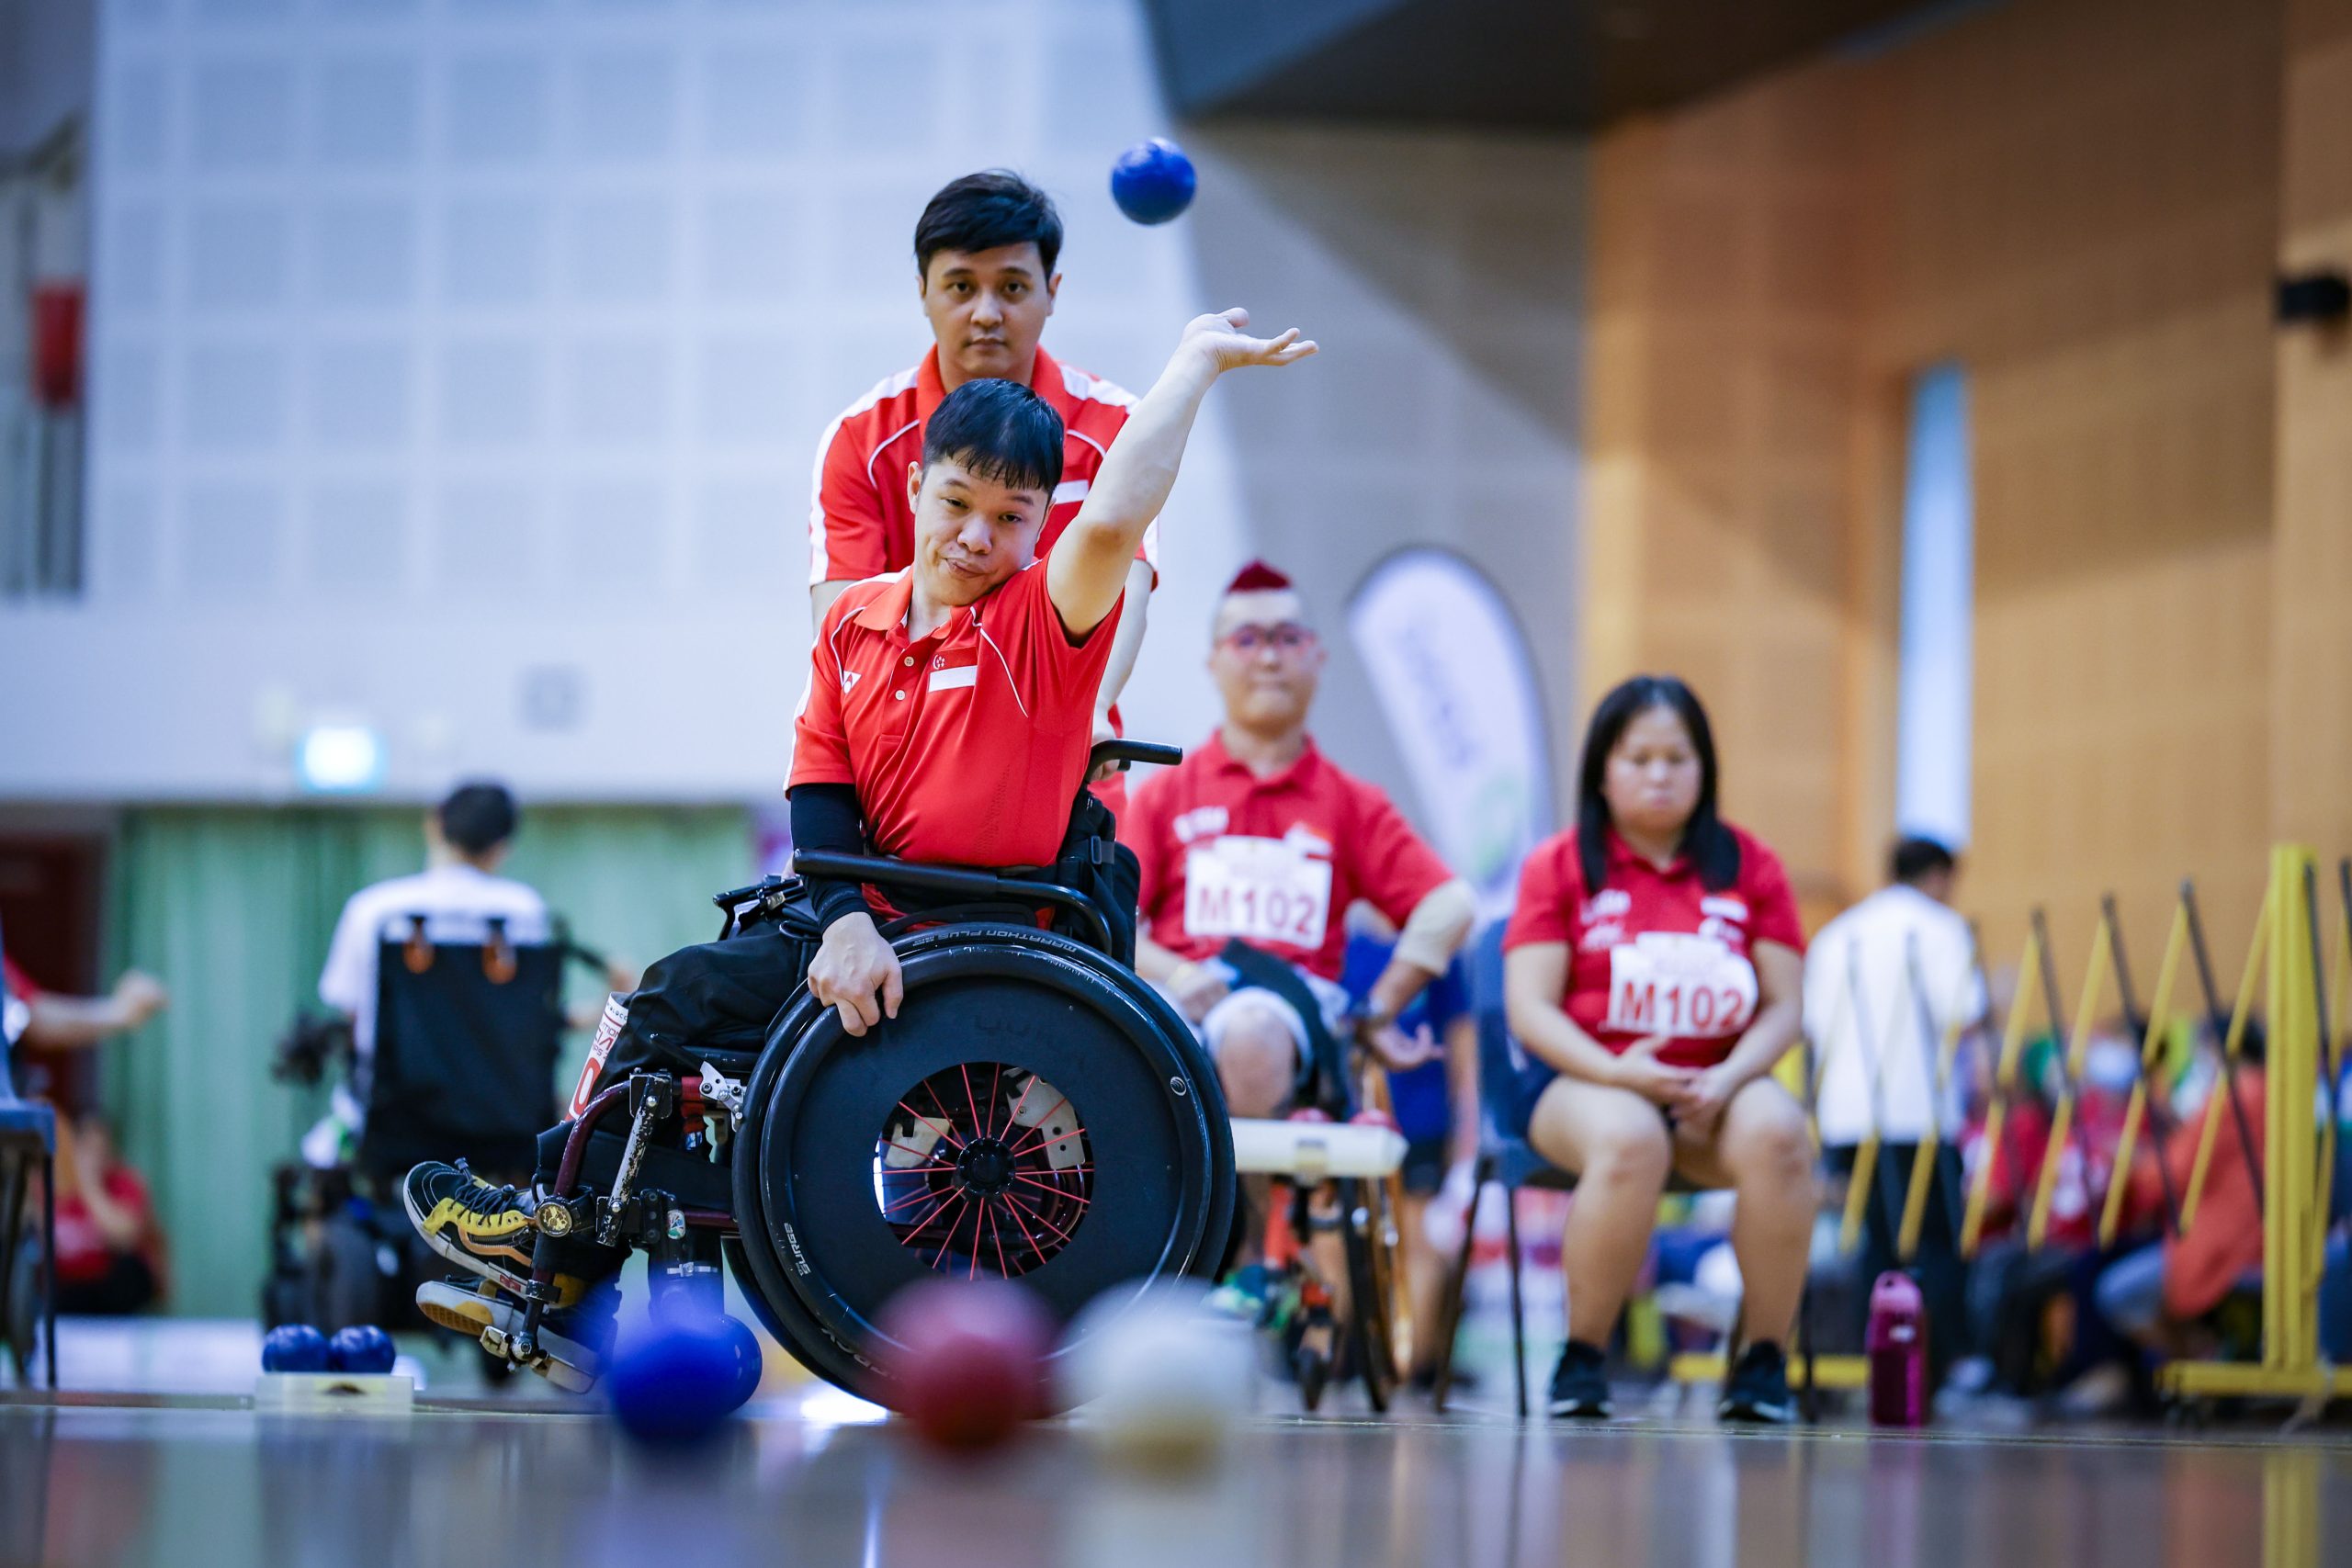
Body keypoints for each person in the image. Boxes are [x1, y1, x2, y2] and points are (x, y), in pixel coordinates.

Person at [402, 307, 1317, 1384]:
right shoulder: (854, 624)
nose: (978, 537)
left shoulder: (1041, 622)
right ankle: (565, 1265)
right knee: (662, 1013)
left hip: (976, 924)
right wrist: (839, 921)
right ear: (918, 486)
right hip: (861, 907)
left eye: (1011, 517)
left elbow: (1115, 517)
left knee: (673, 1000)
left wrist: (1192, 369)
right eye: (957, 503)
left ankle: (550, 1244)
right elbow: (819, 790)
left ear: (1037, 530)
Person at [1501, 674, 1812, 1423]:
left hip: (1720, 1086)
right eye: (1638, 757)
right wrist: (1618, 1071)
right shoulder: (1561, 864)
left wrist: (1731, 1073)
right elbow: (1528, 1007)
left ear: (1704, 769)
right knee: (1630, 1134)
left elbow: (1787, 1006)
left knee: (1779, 1131)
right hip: (1586, 1080)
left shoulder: (1750, 864)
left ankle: (1762, 1361)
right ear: (1603, 770)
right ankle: (1582, 1356)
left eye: (1677, 757)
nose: (1659, 774)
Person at [808, 171, 1154, 816]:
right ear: (923, 291)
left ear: (1053, 292)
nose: (987, 313)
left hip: (1069, 769)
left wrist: (1090, 712)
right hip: (905, 776)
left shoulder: (1116, 430)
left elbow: (1125, 590)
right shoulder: (861, 439)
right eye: (962, 286)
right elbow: (843, 629)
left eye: (1014, 287)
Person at [1120, 561, 1477, 1120]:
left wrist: (1376, 1013)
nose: (1268, 657)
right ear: (1213, 662)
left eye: (1287, 639)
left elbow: (1450, 905)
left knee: (1253, 1031)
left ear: (1317, 658)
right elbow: (1110, 919)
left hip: (1293, 1014)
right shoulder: (1166, 793)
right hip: (1180, 1005)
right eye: (1248, 640)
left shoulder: (1351, 802)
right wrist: (1178, 973)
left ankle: (1244, 1208)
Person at [315, 783, 628, 1158]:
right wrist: (607, 1004)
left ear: (434, 825)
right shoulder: (525, 913)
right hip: (506, 1130)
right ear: (502, 846)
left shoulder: (373, 911)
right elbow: (532, 1026)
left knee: (319, 1168)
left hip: (394, 1127)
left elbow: (355, 1020)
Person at [1803, 835, 1985, 1391]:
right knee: (1938, 1242)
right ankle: (1946, 1366)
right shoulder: (1938, 928)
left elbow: (1813, 1029)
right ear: (1938, 876)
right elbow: (1965, 1014)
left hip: (1846, 1116)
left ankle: (1878, 1362)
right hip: (1917, 1116)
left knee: (1872, 1249)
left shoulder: (1836, 935)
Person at [1340, 908, 1479, 1392]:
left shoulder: (1434, 952)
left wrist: (1466, 1121)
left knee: (1412, 1239)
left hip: (1417, 1116)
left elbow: (1461, 1036)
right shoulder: (1345, 943)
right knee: (1349, 1236)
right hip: (1359, 1110)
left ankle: (1404, 1361)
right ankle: (1377, 1362)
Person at [51, 1113, 166, 1315]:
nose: (96, 1158)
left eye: (101, 1150)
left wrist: (90, 1186)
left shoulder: (124, 1184)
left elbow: (123, 1239)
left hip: (113, 1292)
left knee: (129, 1271)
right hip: (70, 1293)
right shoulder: (53, 1189)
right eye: (89, 1149)